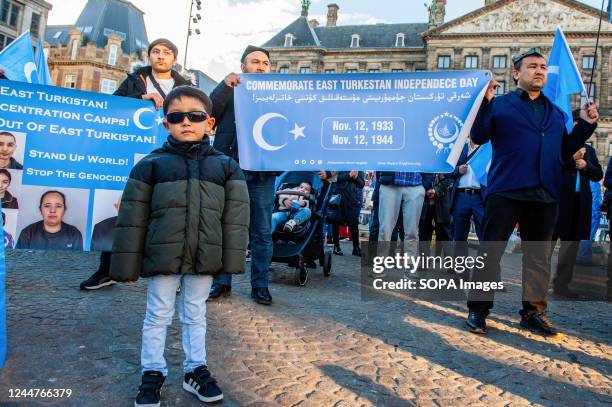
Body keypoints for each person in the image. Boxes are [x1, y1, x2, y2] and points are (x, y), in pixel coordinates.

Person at [109, 86, 249, 406]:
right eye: (176, 116)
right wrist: (126, 267)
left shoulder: (226, 167)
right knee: (158, 314)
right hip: (163, 255)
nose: (186, 121)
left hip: (205, 256)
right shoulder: (150, 165)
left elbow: (236, 218)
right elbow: (133, 218)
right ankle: (153, 371)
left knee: (195, 313)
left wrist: (230, 261)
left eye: (195, 115)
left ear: (210, 123)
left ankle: (194, 368)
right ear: (165, 123)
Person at [465, 48, 599, 336]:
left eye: (542, 67)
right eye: (532, 66)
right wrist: (485, 103)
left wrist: (587, 126)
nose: (539, 71)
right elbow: (478, 136)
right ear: (516, 74)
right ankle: (478, 310)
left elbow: (563, 153)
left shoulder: (556, 112)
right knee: (491, 252)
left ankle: (533, 313)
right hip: (507, 189)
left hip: (545, 193)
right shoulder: (500, 105)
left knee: (538, 257)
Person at [80, 38, 192, 290]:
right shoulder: (134, 81)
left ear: (174, 59)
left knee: (170, 212)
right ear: (149, 56)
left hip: (170, 156)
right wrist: (140, 98)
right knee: (124, 210)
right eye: (156, 52)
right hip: (131, 155)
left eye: (166, 52)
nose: (160, 56)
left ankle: (171, 275)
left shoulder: (185, 86)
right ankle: (107, 269)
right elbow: (111, 107)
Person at [208, 45, 276, 304]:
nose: (260, 66)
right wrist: (225, 85)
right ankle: (221, 282)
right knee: (227, 228)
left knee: (262, 233)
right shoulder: (232, 89)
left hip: (263, 174)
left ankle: (260, 285)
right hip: (230, 169)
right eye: (255, 61)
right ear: (243, 66)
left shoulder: (280, 96)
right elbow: (209, 113)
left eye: (265, 63)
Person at [551, 144, 602, 298]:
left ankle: (562, 286)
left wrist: (587, 165)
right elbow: (550, 168)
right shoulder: (558, 145)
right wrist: (571, 159)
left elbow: (598, 174)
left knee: (571, 247)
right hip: (558, 202)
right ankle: (537, 284)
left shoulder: (589, 150)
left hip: (579, 203)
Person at [449, 139, 485, 262]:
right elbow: (447, 169)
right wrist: (458, 170)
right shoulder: (460, 148)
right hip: (461, 196)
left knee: (485, 237)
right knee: (459, 237)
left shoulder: (487, 149)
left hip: (480, 197)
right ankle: (460, 274)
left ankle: (486, 272)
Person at [377, 171, 427, 254]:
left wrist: (427, 182)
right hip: (390, 184)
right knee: (384, 230)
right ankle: (381, 262)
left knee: (412, 232)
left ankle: (411, 265)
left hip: (415, 183)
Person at [16, 190, 83, 251]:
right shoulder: (28, 233)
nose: (52, 210)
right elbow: (20, 262)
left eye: (58, 206)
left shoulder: (74, 234)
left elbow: (77, 263)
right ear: (40, 209)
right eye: (47, 206)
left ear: (64, 210)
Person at [328, 171, 365, 256]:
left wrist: (355, 177)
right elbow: (334, 178)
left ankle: (356, 247)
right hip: (338, 196)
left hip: (352, 197)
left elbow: (361, 184)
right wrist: (349, 175)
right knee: (335, 221)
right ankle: (336, 246)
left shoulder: (358, 167)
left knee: (354, 223)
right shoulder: (340, 164)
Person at [418, 173, 453, 261]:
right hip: (424, 202)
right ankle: (423, 262)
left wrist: (435, 190)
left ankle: (450, 264)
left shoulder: (445, 162)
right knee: (424, 234)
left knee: (445, 234)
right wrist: (426, 190)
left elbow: (450, 179)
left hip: (442, 203)